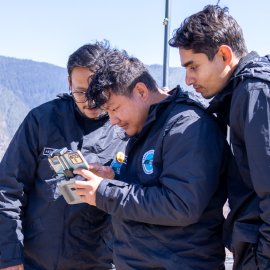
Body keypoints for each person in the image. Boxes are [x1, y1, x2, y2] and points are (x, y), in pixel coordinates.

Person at [72, 47, 231, 269]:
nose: (113, 120)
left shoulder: (189, 128)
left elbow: (180, 204)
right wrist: (113, 178)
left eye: (115, 108)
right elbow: (147, 186)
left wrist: (104, 192)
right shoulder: (145, 126)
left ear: (141, 91)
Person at [0, 42, 127, 270]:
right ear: (69, 83)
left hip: (98, 263)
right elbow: (8, 190)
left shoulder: (126, 129)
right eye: (80, 92)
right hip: (35, 262)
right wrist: (9, 256)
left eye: (97, 92)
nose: (89, 101)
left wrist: (114, 181)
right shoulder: (41, 121)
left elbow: (145, 197)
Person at [169, 4, 270, 269]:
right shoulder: (240, 93)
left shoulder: (254, 93)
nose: (188, 79)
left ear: (224, 54)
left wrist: (262, 259)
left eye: (194, 67)